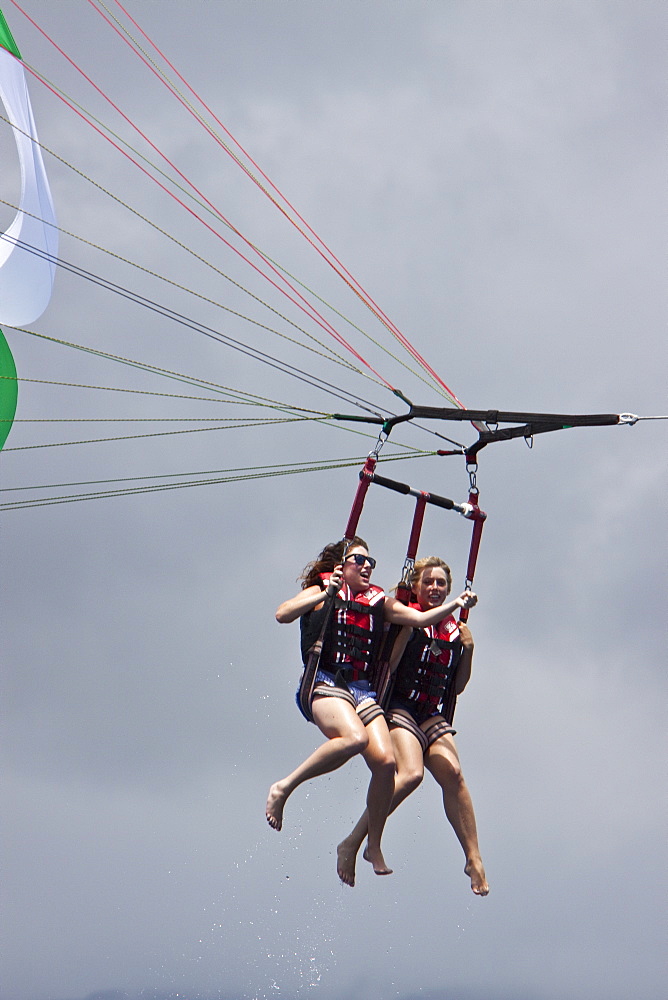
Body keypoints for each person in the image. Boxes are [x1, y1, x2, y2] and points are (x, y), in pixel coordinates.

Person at [265, 539, 477, 878]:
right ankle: (284, 787)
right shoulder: (324, 588)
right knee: (354, 740)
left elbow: (420, 619)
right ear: (341, 566)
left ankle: (372, 844)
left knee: (387, 763)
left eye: (371, 562)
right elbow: (282, 613)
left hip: (362, 691)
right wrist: (326, 593)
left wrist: (456, 605)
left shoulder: (379, 601)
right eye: (360, 561)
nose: (368, 567)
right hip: (325, 682)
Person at [336, 556, 488, 894]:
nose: (435, 589)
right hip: (401, 707)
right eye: (429, 583)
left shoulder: (454, 630)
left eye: (441, 584)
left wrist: (469, 649)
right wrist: (404, 633)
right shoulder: (407, 619)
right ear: (416, 586)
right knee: (411, 774)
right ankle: (354, 841)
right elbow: (387, 665)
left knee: (454, 775)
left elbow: (457, 686)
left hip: (432, 711)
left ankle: (473, 857)